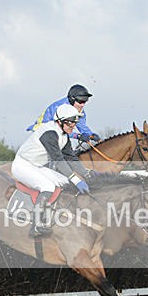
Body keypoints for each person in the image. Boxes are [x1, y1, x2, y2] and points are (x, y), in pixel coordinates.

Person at [13, 103, 92, 237]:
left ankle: (56, 214)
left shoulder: (64, 135)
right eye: (70, 122)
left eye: (75, 123)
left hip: (37, 166)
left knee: (66, 182)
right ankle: (36, 225)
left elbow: (71, 158)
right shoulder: (49, 133)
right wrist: (77, 180)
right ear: (60, 121)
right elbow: (58, 160)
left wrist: (87, 174)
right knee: (48, 186)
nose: (73, 126)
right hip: (22, 165)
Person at [27, 84, 101, 144]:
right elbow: (60, 129)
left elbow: (82, 125)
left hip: (57, 134)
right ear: (72, 99)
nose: (82, 105)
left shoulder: (79, 109)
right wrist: (78, 136)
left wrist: (91, 135)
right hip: (43, 131)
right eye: (80, 101)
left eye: (85, 101)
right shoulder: (59, 108)